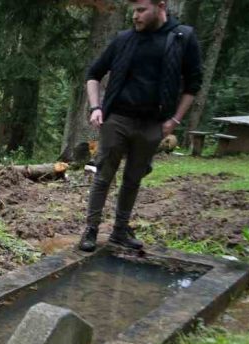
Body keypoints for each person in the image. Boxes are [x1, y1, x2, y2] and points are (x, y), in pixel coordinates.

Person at [79, 0, 202, 252]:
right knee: (103, 176)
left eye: (141, 10)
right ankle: (90, 230)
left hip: (152, 124)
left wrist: (175, 120)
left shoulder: (182, 38)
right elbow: (93, 74)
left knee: (133, 179)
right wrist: (96, 107)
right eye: (133, 10)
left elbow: (193, 85)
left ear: (161, 6)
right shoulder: (124, 39)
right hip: (118, 119)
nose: (135, 16)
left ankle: (119, 231)